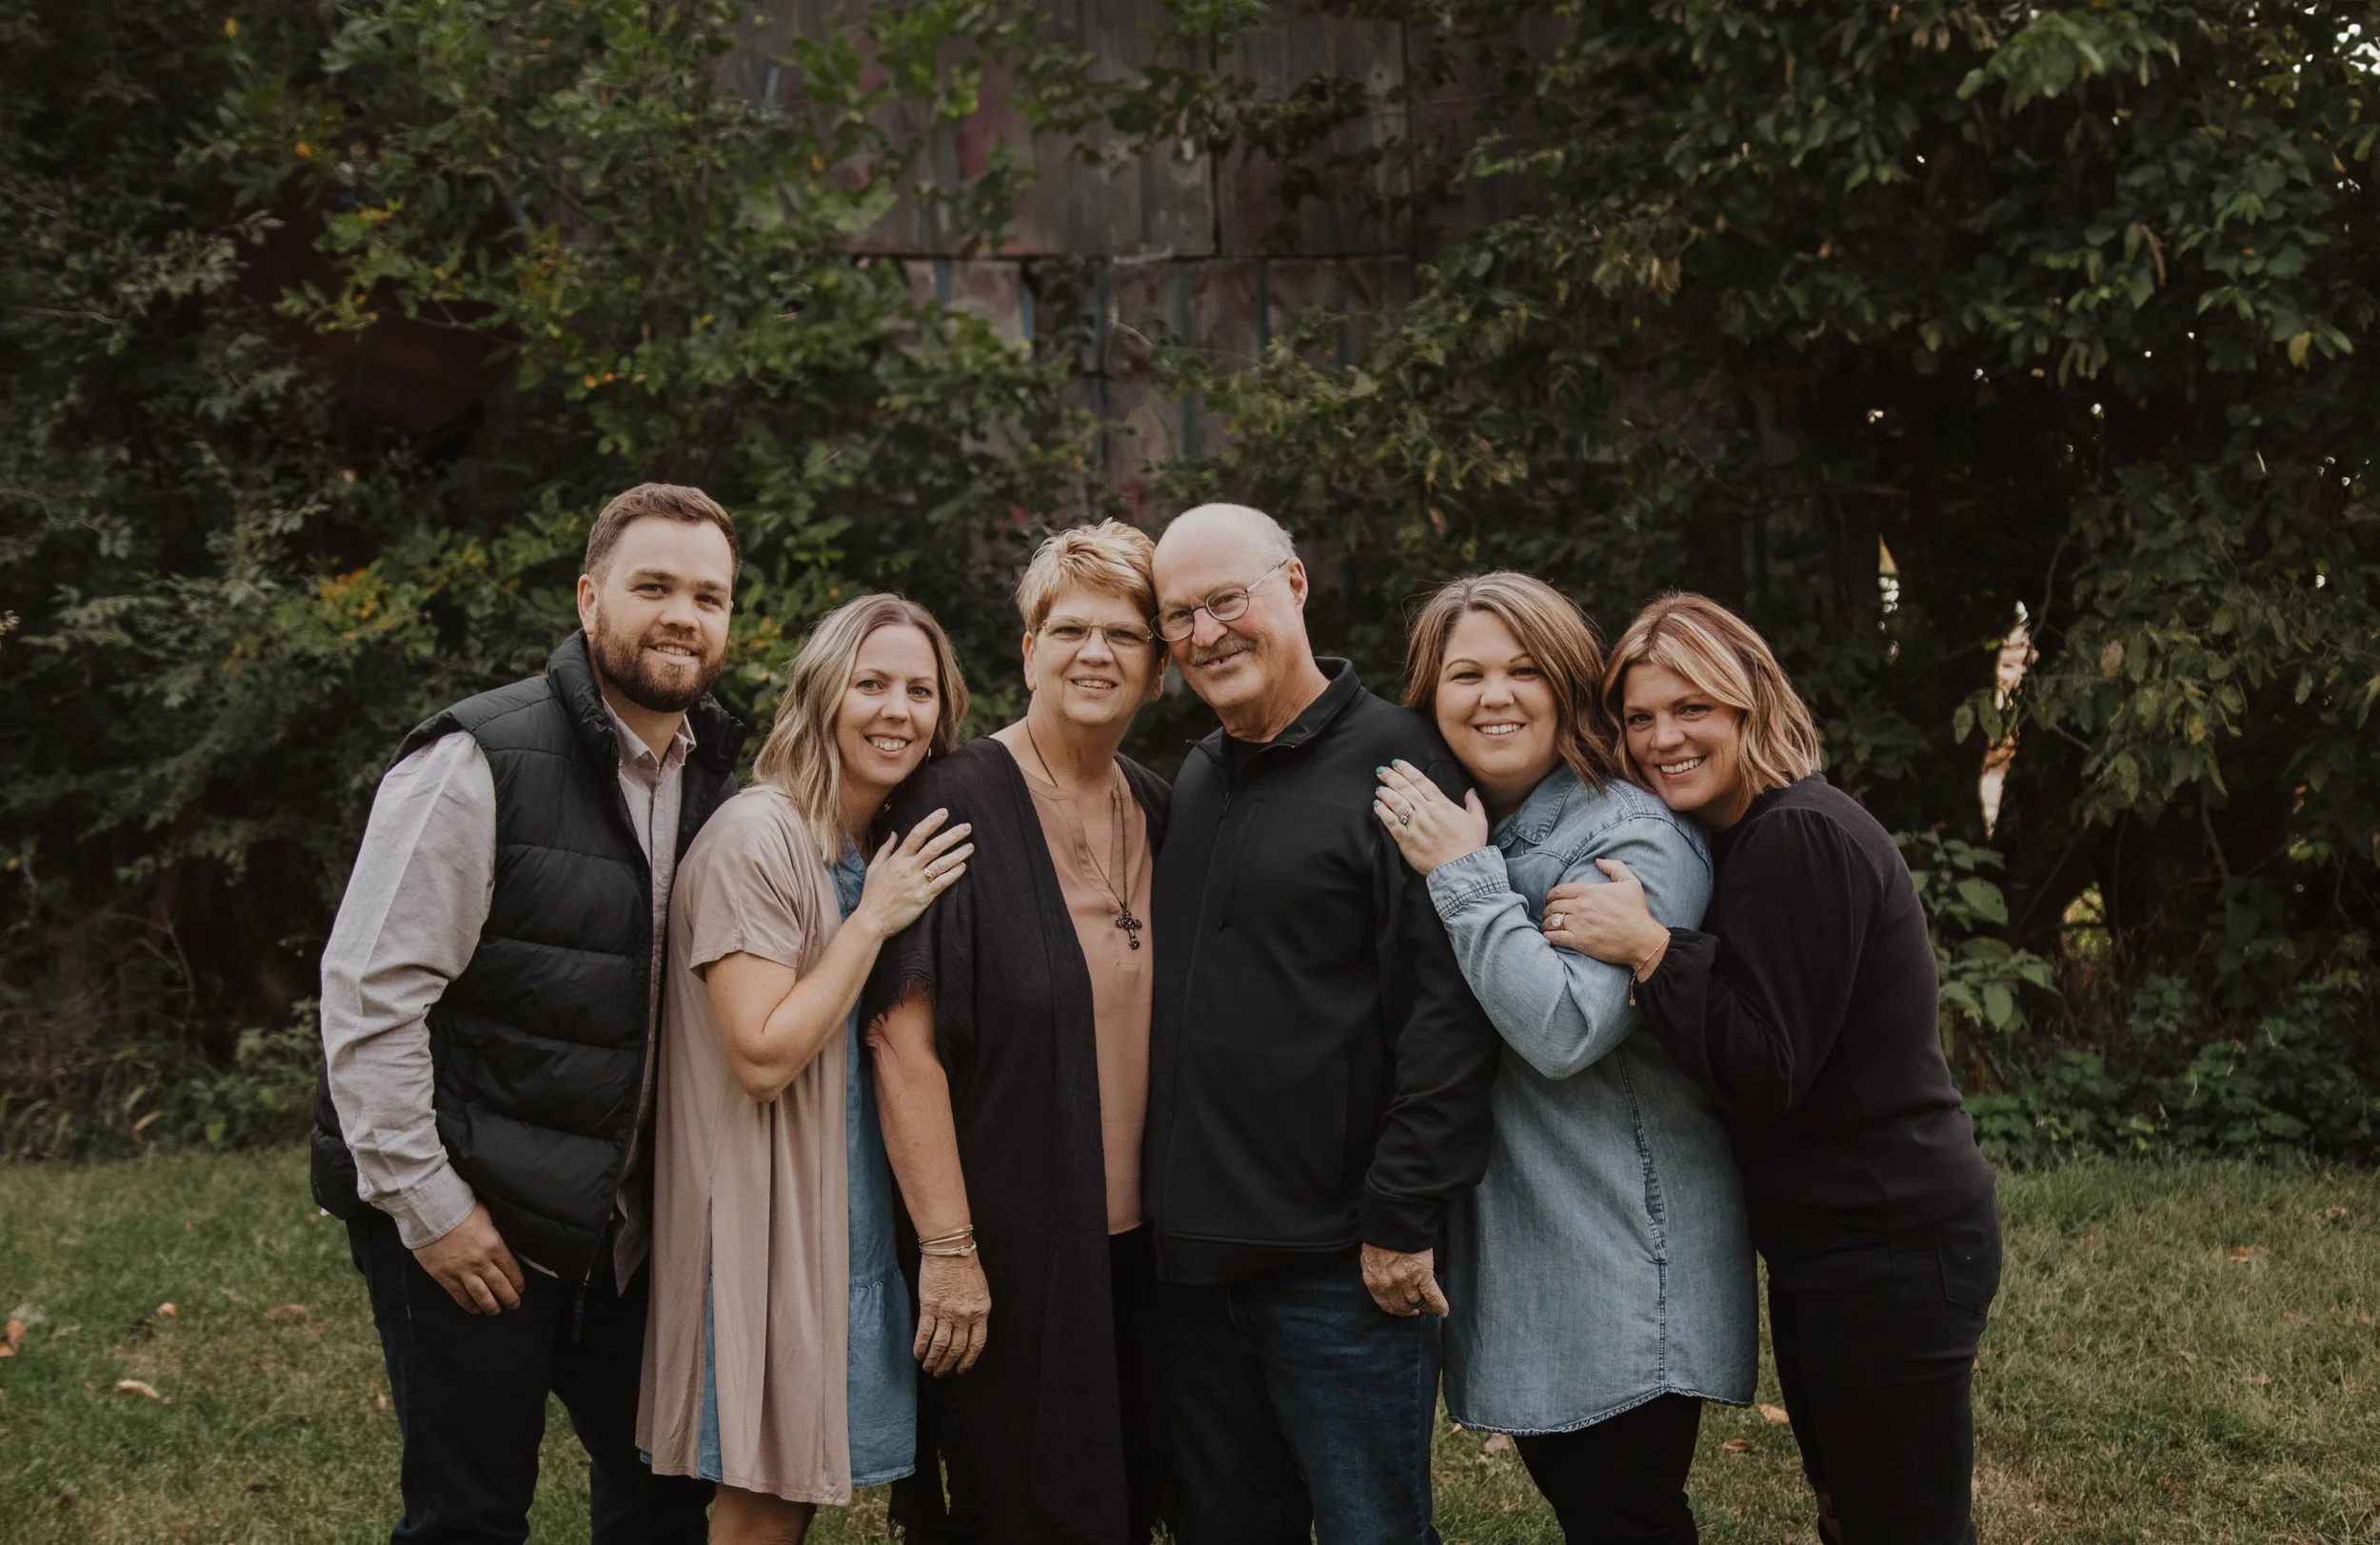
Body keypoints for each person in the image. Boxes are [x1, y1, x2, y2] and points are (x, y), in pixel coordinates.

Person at [311, 483, 744, 1544]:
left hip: (626, 1226)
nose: (683, 615)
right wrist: (431, 1210)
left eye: (709, 595)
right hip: (476, 1206)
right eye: (654, 587)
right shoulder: (474, 761)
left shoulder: (724, 774)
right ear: (590, 599)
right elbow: (370, 998)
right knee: (471, 1510)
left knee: (670, 1493)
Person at [1540, 593, 2002, 1545]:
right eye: (1638, 718)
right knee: (1850, 1512)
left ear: (1751, 705)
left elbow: (1764, 1067)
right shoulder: (1748, 837)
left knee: (1901, 1525)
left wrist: (1650, 948)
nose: (1663, 736)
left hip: (1891, 1244)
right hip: (1828, 1245)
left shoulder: (1800, 836)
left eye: (1692, 708)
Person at [1140, 503, 1501, 1545]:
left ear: (1293, 587)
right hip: (1193, 1274)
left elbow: (1450, 1014)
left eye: (1226, 601)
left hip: (1338, 1271)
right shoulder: (1199, 775)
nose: (1205, 634)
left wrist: (1400, 1217)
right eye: (1179, 617)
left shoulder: (1401, 763)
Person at [1369, 573, 1755, 1545]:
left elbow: (1563, 1032)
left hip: (1623, 1257)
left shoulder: (1629, 833)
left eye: (1523, 670)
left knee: (1624, 1519)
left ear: (1568, 685)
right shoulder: (1462, 822)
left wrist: (1463, 879)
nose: (1494, 696)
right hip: (1537, 1255)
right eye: (1466, 673)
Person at [639, 593, 975, 1544]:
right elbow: (760, 1053)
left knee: (795, 1488)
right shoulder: (760, 836)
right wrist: (872, 919)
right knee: (761, 1499)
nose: (896, 712)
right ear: (823, 694)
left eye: (919, 690)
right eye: (871, 685)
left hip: (844, 1212)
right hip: (763, 1216)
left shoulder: (871, 843)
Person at [862, 521, 1171, 1543]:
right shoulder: (951, 803)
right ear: (1027, 649)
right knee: (1023, 1509)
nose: (1095, 653)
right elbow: (900, 1044)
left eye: (1124, 635)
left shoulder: (1164, 810)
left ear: (1159, 670)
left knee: (1131, 1499)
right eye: (1068, 628)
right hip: (1009, 1254)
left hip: (1145, 1253)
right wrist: (950, 1251)